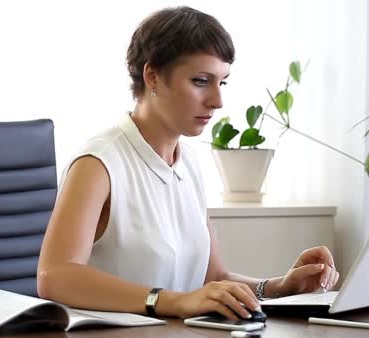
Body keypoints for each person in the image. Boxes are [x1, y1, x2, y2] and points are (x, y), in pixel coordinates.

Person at [37, 6, 339, 320]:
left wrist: (276, 287)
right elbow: (55, 276)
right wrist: (172, 301)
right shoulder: (99, 163)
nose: (217, 101)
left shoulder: (189, 163)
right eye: (200, 81)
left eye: (221, 83)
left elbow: (212, 279)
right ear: (152, 75)